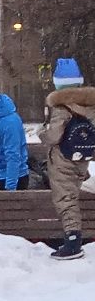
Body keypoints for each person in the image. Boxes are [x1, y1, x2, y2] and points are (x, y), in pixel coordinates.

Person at [39, 58, 95, 260]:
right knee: (73, 194)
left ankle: (73, 241)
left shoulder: (61, 107)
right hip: (82, 157)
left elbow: (54, 136)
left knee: (65, 198)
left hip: (63, 159)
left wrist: (41, 134)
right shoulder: (89, 104)